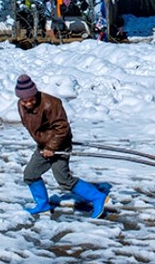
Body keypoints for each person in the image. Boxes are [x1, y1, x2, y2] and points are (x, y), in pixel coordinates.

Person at [15, 74, 108, 218]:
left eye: (31, 100)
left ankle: (97, 197)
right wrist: (44, 146)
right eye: (24, 101)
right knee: (30, 175)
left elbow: (62, 128)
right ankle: (43, 205)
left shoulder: (50, 103)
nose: (28, 103)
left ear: (35, 93)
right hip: (43, 146)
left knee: (63, 179)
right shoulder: (21, 105)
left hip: (60, 144)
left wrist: (51, 148)